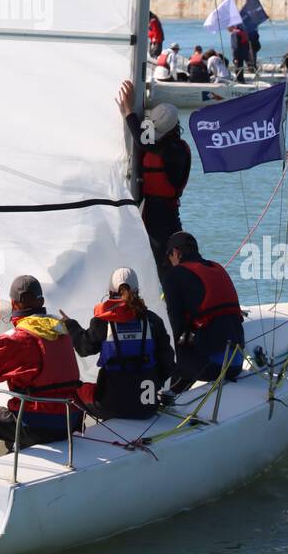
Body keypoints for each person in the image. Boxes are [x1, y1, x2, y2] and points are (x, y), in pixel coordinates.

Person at [0, 276, 82, 455]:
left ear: (13, 304)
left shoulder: (19, 338)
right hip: (70, 420)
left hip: (38, 425)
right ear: (41, 301)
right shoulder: (61, 330)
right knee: (18, 402)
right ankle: (14, 452)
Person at [61, 267, 174, 420]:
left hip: (110, 407)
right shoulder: (153, 321)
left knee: (74, 391)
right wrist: (155, 384)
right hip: (147, 408)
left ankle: (77, 433)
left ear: (110, 292)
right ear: (137, 290)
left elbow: (83, 348)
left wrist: (70, 325)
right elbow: (167, 363)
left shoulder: (103, 321)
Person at [117, 82, 191, 275]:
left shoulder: (175, 151)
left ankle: (173, 298)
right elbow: (145, 141)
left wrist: (128, 113)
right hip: (152, 209)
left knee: (168, 258)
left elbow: (145, 143)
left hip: (164, 213)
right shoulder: (163, 143)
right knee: (160, 257)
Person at [162, 232, 245, 392]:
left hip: (213, 367)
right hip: (236, 362)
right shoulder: (217, 268)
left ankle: (164, 397)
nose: (169, 261)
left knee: (164, 348)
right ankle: (178, 390)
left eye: (169, 256)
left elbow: (175, 327)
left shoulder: (174, 275)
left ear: (176, 253)